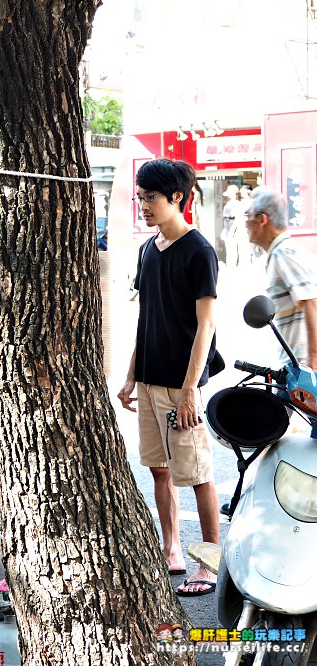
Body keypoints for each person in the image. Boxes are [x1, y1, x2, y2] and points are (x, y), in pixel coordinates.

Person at [116, 158, 221, 597]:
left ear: (178, 197)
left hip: (184, 384)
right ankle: (172, 548)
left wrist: (191, 390)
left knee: (196, 473)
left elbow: (206, 325)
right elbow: (147, 318)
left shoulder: (199, 251)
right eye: (140, 198)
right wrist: (129, 375)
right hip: (149, 379)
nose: (143, 205)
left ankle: (210, 562)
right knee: (159, 470)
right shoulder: (148, 249)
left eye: (150, 198)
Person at [244, 188, 317, 368]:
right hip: (296, 363)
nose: (245, 223)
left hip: (301, 367)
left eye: (248, 215)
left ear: (262, 219)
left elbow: (311, 301)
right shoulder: (283, 252)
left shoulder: (283, 253)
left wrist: (313, 362)